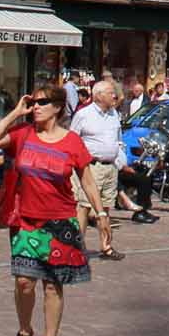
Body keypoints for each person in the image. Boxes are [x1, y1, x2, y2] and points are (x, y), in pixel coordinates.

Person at [0, 87, 97, 336]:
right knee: (24, 282)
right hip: (26, 219)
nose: (36, 107)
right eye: (33, 102)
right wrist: (16, 112)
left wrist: (101, 215)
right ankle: (24, 330)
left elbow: (87, 181)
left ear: (57, 107)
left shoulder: (72, 142)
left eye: (42, 103)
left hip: (60, 219)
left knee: (53, 285)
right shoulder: (23, 134)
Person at [66, 76, 126, 259]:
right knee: (83, 206)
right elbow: (72, 140)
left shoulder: (113, 114)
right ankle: (77, 247)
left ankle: (106, 246)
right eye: (110, 93)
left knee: (105, 207)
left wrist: (119, 158)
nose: (114, 96)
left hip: (110, 167)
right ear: (98, 95)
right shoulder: (84, 114)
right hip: (90, 167)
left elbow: (118, 138)